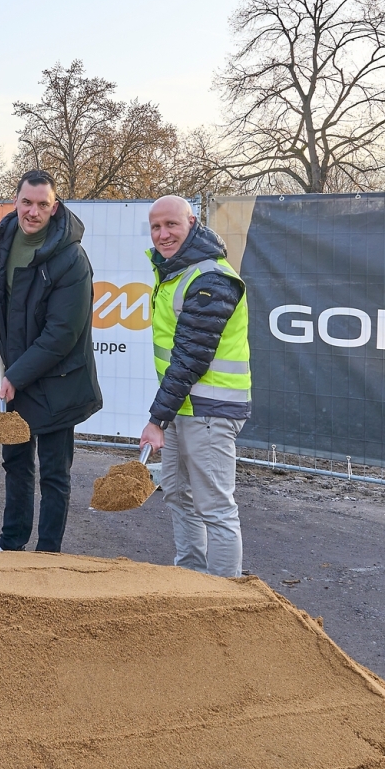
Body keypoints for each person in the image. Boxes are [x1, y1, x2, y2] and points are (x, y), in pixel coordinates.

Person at [0, 170, 102, 553]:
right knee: (15, 464)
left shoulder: (72, 257)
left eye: (42, 204)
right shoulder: (2, 241)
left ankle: (47, 555)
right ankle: (10, 544)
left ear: (55, 206)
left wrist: (15, 377)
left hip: (59, 381)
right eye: (26, 202)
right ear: (16, 201)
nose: (33, 212)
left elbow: (61, 335)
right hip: (16, 376)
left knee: (54, 473)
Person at [137, 195, 251, 577]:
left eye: (171, 225)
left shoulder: (210, 278)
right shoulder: (175, 273)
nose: (163, 234)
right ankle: (189, 579)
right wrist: (165, 418)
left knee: (215, 508)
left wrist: (156, 420)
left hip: (211, 411)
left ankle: (224, 596)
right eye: (156, 227)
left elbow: (191, 358)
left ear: (192, 223)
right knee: (177, 495)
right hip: (186, 410)